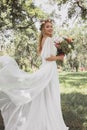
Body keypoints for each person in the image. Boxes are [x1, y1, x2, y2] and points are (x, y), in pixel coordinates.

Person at [0, 19, 69, 130]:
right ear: (43, 30)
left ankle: (45, 116)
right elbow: (46, 57)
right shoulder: (48, 40)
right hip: (48, 70)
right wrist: (59, 57)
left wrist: (61, 50)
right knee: (50, 94)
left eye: (51, 26)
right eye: (47, 26)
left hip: (49, 69)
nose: (50, 28)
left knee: (47, 94)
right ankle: (48, 119)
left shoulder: (47, 40)